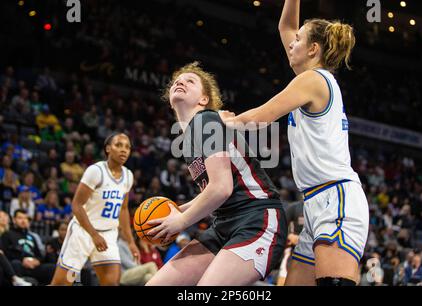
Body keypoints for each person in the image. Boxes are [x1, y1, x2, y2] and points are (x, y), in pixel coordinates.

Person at [220, 0, 369, 286]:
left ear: (313, 49)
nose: (292, 43)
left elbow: (262, 117)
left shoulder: (314, 79)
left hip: (336, 198)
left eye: (299, 40)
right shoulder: (309, 78)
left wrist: (222, 121)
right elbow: (286, 26)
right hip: (315, 202)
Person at [145, 62, 287, 286]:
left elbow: (221, 188)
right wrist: (173, 212)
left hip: (256, 219)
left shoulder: (205, 121)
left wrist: (180, 221)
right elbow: (213, 190)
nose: (180, 82)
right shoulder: (188, 139)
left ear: (203, 99)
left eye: (190, 81)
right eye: (176, 81)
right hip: (223, 224)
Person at [50, 133, 140, 286]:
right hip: (83, 233)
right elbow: (76, 205)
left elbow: (123, 210)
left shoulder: (128, 176)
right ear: (108, 149)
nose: (124, 150)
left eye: (127, 147)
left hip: (108, 236)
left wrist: (131, 242)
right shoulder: (96, 171)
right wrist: (94, 234)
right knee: (63, 283)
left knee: (111, 283)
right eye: (118, 145)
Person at [1, 209, 55, 285]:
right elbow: (5, 253)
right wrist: (22, 259)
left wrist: (37, 261)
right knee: (15, 263)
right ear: (14, 220)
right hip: (19, 264)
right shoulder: (7, 234)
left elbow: (39, 255)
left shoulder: (32, 236)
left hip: (34, 266)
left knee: (51, 267)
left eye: (26, 218)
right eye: (20, 218)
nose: (23, 221)